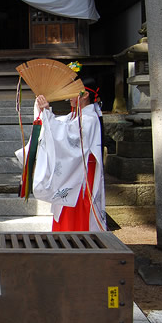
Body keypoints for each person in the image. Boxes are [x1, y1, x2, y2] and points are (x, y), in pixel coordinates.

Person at [16, 78, 106, 231]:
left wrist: (47, 113)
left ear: (84, 95)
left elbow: (64, 136)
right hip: (72, 174)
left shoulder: (90, 120)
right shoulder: (75, 117)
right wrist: (43, 110)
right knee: (66, 208)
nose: (68, 97)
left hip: (81, 177)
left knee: (76, 212)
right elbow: (54, 126)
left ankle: (80, 249)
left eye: (72, 93)